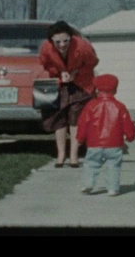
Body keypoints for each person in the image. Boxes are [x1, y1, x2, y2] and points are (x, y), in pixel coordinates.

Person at [39, 21, 99, 168]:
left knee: (75, 118)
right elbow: (46, 65)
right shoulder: (46, 48)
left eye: (65, 40)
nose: (62, 45)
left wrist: (76, 72)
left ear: (71, 38)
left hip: (81, 83)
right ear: (51, 40)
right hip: (60, 82)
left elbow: (93, 62)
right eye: (57, 42)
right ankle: (61, 155)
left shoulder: (83, 46)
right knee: (58, 117)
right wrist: (59, 73)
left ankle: (74, 155)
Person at [76, 74, 135, 196]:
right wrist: (130, 136)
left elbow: (83, 123)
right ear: (115, 90)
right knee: (113, 165)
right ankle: (113, 188)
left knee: (91, 163)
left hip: (94, 143)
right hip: (114, 143)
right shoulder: (120, 106)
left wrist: (80, 138)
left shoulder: (91, 105)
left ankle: (88, 184)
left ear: (97, 89)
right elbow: (127, 123)